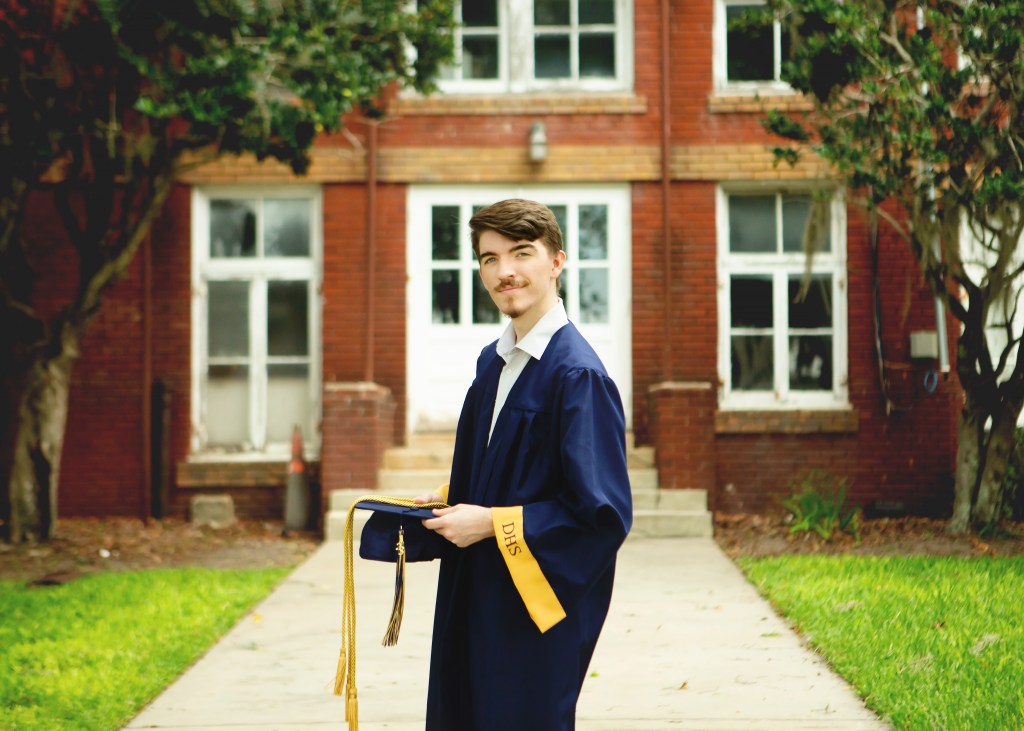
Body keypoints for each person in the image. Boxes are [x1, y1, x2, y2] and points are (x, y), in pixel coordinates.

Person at [414, 198, 633, 730]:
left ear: (557, 261)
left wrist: (489, 522)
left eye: (521, 253)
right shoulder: (493, 364)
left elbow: (601, 515)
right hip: (476, 592)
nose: (504, 271)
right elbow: (508, 471)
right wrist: (453, 500)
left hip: (533, 607)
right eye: (489, 259)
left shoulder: (576, 376)